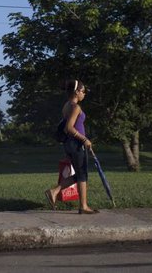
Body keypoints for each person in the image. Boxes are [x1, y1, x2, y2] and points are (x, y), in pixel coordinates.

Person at [45, 79, 98, 214]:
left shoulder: (66, 106)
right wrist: (84, 139)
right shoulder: (76, 107)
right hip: (76, 144)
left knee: (80, 174)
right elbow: (69, 127)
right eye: (83, 91)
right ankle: (83, 206)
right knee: (82, 175)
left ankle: (55, 191)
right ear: (77, 92)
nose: (84, 94)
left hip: (69, 144)